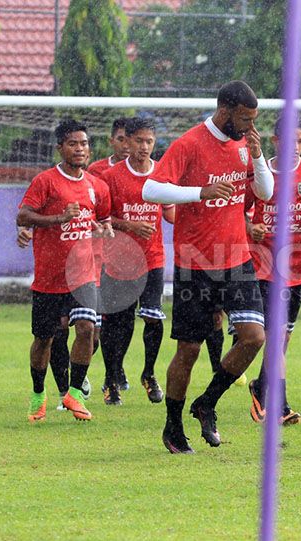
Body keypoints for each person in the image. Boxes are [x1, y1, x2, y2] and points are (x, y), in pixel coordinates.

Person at [142, 80, 274, 454]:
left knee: (254, 337)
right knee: (189, 350)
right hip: (196, 264)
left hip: (237, 259)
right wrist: (199, 192)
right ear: (225, 110)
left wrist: (259, 155)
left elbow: (264, 193)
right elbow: (150, 190)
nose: (250, 126)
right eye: (245, 119)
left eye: (254, 120)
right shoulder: (189, 144)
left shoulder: (244, 144)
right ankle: (173, 426)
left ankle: (207, 403)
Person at [16, 119, 113, 423]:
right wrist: (59, 218)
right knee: (44, 340)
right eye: (73, 143)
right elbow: (23, 215)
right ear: (60, 148)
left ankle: (73, 393)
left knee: (87, 329)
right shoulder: (46, 182)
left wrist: (103, 230)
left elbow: (105, 222)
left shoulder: (98, 186)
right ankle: (37, 393)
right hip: (49, 278)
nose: (80, 149)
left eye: (84, 143)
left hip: (83, 276)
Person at [245, 115, 301, 425]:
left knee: (281, 339)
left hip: (299, 268)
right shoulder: (258, 172)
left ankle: (260, 386)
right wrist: (251, 226)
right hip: (264, 267)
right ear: (275, 141)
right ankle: (280, 406)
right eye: (289, 140)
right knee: (275, 334)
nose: (295, 146)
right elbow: (240, 211)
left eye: (300, 141)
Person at [99, 116, 173, 406]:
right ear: (126, 142)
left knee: (153, 319)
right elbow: (102, 217)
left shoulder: (162, 173)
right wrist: (130, 226)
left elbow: (170, 212)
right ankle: (110, 377)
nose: (144, 147)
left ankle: (149, 373)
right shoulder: (111, 177)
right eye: (139, 141)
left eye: (149, 141)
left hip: (153, 260)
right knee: (118, 323)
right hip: (119, 262)